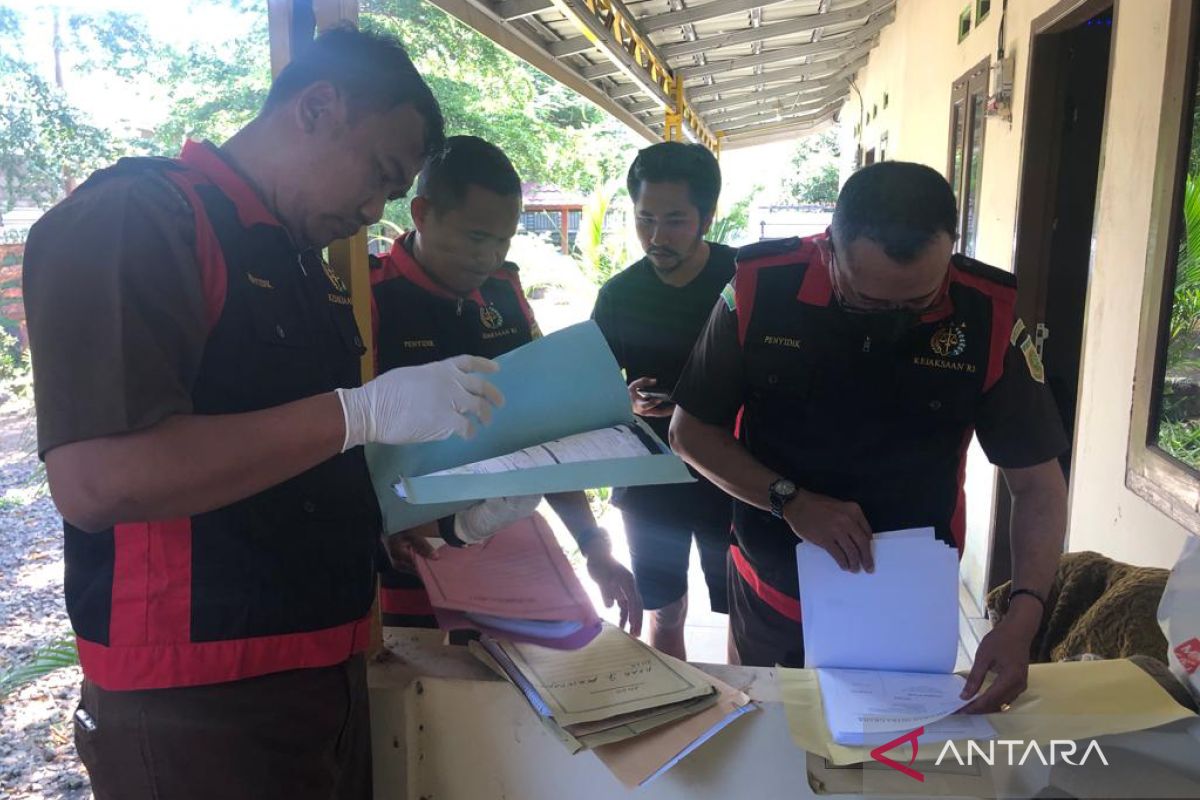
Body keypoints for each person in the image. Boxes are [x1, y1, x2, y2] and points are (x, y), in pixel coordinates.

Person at [22, 28, 502, 800]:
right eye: (378, 174)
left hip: (323, 678)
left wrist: (433, 519)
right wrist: (356, 413)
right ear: (317, 108)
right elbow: (99, 480)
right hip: (197, 704)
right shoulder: (140, 217)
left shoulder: (300, 266)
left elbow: (295, 472)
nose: (376, 209)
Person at [669, 161, 1068, 713]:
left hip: (905, 600)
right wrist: (790, 500)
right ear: (829, 248)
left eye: (919, 303)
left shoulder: (987, 316)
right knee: (767, 745)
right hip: (774, 588)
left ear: (950, 252)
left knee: (892, 762)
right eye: (870, 303)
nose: (893, 321)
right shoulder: (761, 289)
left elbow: (1038, 486)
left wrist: (1024, 616)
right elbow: (690, 432)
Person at [372, 135, 643, 635]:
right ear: (422, 213)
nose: (489, 258)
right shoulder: (370, 299)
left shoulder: (504, 292)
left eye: (504, 241)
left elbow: (539, 439)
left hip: (506, 552)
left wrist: (593, 543)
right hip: (408, 566)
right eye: (477, 238)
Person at [590, 142, 733, 660]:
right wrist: (621, 400)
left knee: (742, 610)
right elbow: (593, 387)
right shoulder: (620, 295)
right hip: (648, 479)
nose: (656, 237)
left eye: (674, 221)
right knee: (664, 609)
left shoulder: (743, 283)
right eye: (645, 219)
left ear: (706, 217)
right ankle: (676, 710)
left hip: (732, 475)